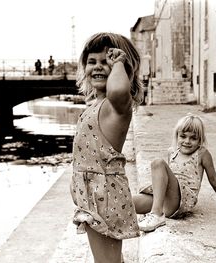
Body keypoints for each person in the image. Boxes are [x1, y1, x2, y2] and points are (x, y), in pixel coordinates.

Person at [70, 32, 143, 263]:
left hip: (106, 195)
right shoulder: (94, 104)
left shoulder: (117, 106)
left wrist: (119, 62)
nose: (98, 67)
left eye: (107, 61)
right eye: (92, 62)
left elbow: (119, 90)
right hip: (91, 195)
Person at [133, 114, 216, 232]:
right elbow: (167, 179)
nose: (187, 141)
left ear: (200, 140)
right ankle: (153, 212)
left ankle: (156, 215)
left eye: (193, 138)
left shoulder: (202, 154)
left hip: (181, 201)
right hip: (167, 201)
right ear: (177, 135)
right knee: (127, 203)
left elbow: (214, 179)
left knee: (158, 163)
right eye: (183, 136)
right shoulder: (172, 152)